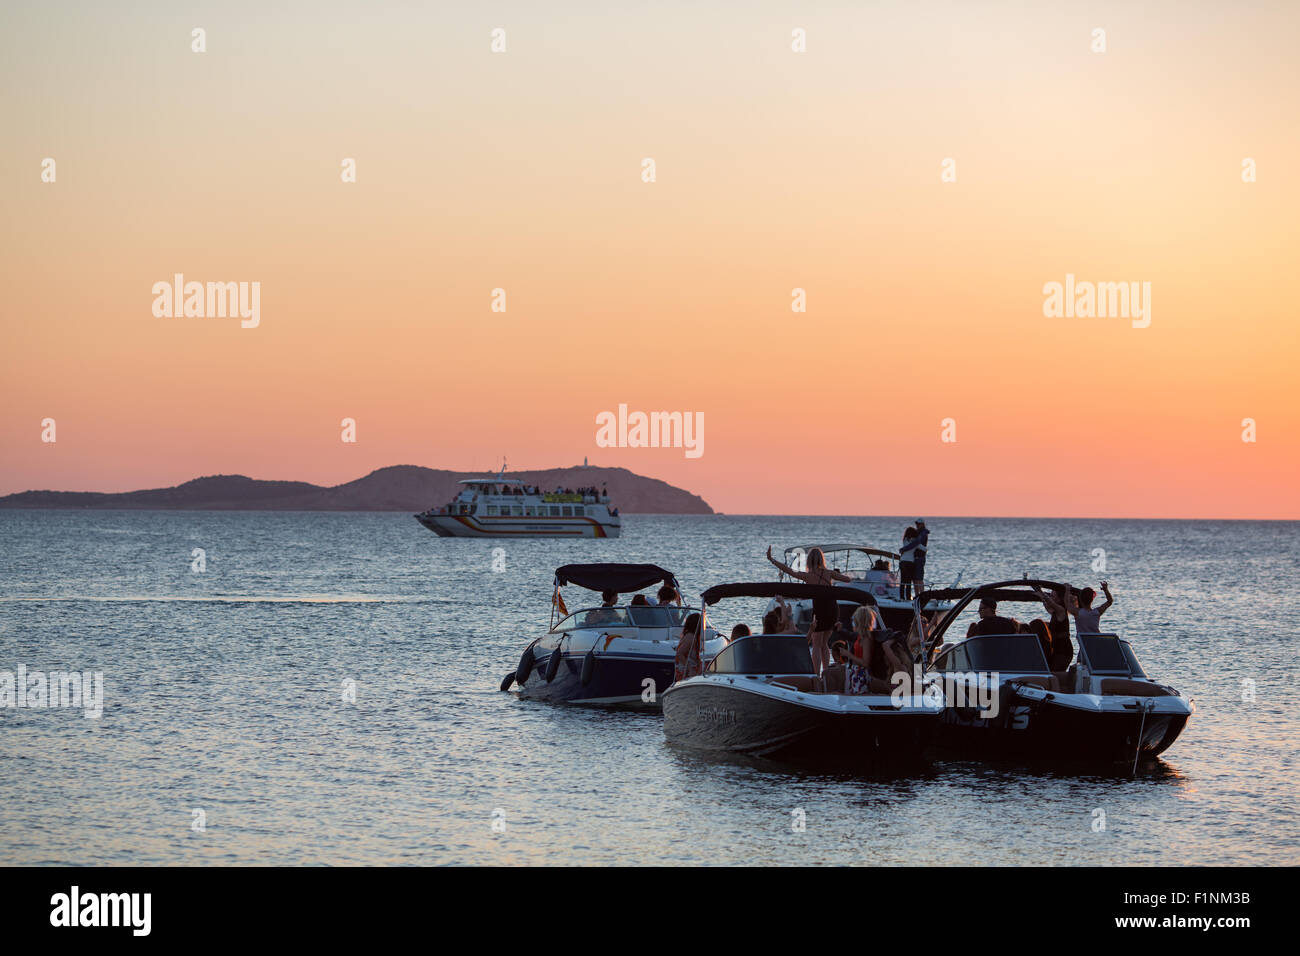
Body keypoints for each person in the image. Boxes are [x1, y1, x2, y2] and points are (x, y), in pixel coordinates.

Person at [766, 546, 852, 675]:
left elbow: (789, 571)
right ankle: (826, 673)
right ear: (822, 559)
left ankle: (817, 675)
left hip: (820, 610)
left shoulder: (808, 576)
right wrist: (834, 576)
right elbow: (847, 579)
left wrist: (772, 560)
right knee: (824, 644)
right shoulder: (829, 573)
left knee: (817, 644)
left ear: (809, 561)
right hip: (833, 610)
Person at [1031, 584, 1074, 669]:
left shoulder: (1061, 611)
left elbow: (1050, 603)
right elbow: (1047, 606)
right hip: (1056, 648)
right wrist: (1040, 594)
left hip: (1064, 650)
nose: (1051, 597)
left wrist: (1042, 593)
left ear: (1059, 598)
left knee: (1055, 671)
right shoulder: (1055, 612)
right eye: (1051, 595)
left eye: (1053, 596)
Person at [673, 612, 705, 683]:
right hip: (686, 673)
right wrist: (689, 668)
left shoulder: (692, 636)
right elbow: (680, 653)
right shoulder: (690, 637)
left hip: (692, 670)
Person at [899, 527, 919, 599]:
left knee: (902, 581)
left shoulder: (904, 540)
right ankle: (908, 597)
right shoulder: (915, 542)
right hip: (910, 562)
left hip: (902, 561)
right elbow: (924, 549)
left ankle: (901, 597)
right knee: (908, 582)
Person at [912, 519, 930, 590]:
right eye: (916, 524)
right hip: (915, 557)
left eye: (919, 524)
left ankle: (922, 594)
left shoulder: (923, 533)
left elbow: (917, 543)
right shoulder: (917, 533)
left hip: (920, 557)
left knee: (919, 578)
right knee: (914, 578)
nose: (917, 525)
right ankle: (917, 595)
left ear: (922, 524)